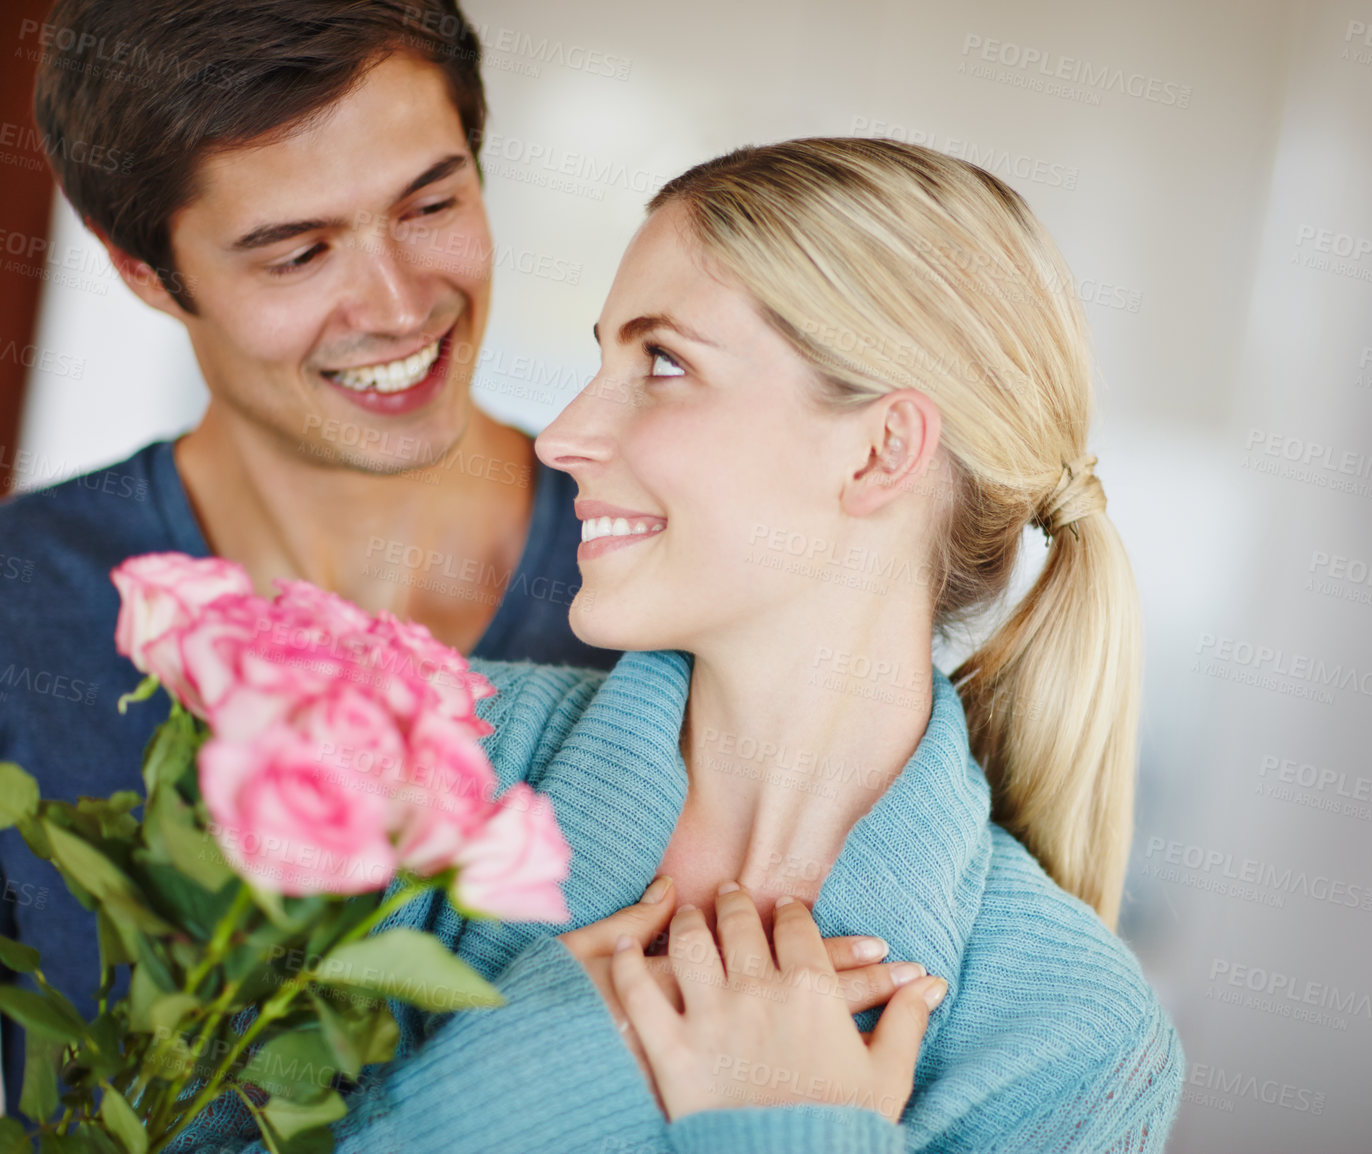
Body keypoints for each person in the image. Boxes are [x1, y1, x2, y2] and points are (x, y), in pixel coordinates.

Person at [0, 0, 919, 1124]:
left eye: (430, 204)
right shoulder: (19, 610)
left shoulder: (697, 587)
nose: (397, 306)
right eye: (298, 251)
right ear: (144, 269)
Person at [179, 136, 1184, 1151]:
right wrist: (542, 1068)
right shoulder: (404, 753)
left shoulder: (1077, 1045)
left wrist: (789, 1134)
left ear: (881, 451)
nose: (560, 434)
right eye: (603, 356)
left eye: (661, 361)